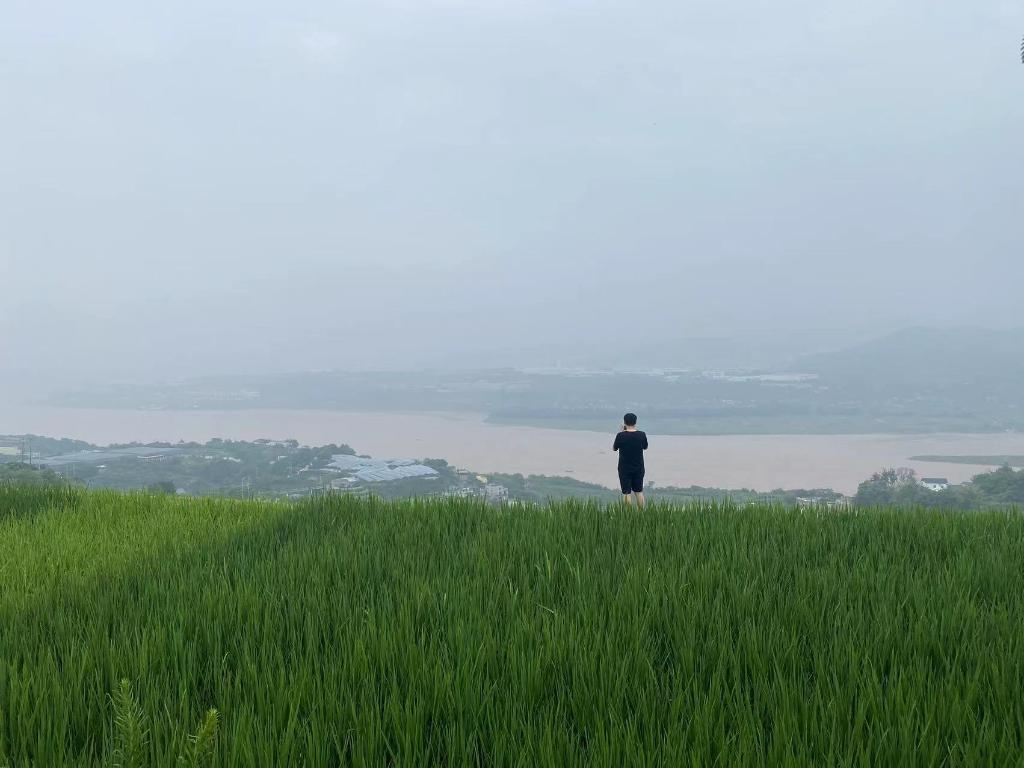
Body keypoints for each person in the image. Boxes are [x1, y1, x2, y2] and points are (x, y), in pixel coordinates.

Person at [613, 412, 648, 507]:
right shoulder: (642, 435)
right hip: (639, 468)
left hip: (624, 468)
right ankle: (641, 513)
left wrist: (621, 431)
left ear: (624, 422)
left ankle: (628, 514)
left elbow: (614, 448)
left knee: (626, 492)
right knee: (639, 491)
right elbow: (645, 447)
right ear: (635, 422)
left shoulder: (620, 435)